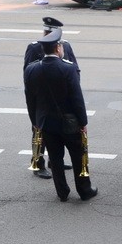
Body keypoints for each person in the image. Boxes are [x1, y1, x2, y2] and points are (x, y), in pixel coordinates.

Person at [23, 28, 97, 202]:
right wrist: (83, 122)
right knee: (78, 157)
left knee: (55, 159)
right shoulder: (68, 69)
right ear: (58, 48)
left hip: (46, 123)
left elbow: (30, 99)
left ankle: (62, 192)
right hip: (69, 123)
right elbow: (77, 99)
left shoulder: (31, 70)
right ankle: (84, 190)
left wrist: (35, 121)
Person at [25, 17, 78, 178]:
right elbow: (28, 76)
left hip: (61, 98)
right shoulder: (35, 48)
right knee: (38, 130)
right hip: (43, 99)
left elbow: (75, 70)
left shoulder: (66, 45)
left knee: (59, 131)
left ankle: (54, 161)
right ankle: (37, 162)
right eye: (47, 32)